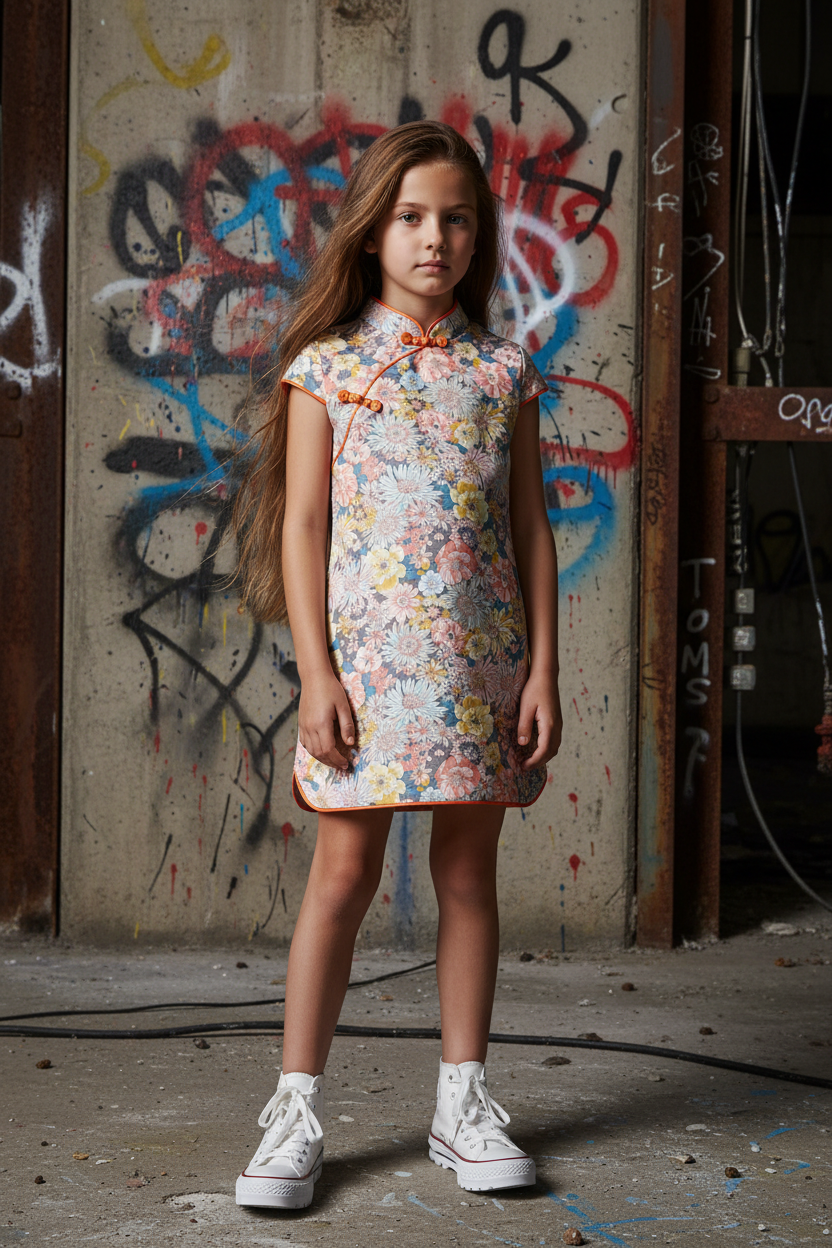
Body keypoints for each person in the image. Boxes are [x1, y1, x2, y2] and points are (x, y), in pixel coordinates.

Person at [231, 120, 562, 1210]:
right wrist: (316, 675)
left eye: (457, 218)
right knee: (342, 878)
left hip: (481, 669)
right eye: (412, 217)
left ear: (479, 232)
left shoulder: (502, 369)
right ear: (372, 233)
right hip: (367, 673)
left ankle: (460, 1104)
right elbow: (307, 525)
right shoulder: (326, 367)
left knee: (469, 877)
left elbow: (530, 531)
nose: (436, 238)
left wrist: (542, 670)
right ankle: (293, 1112)